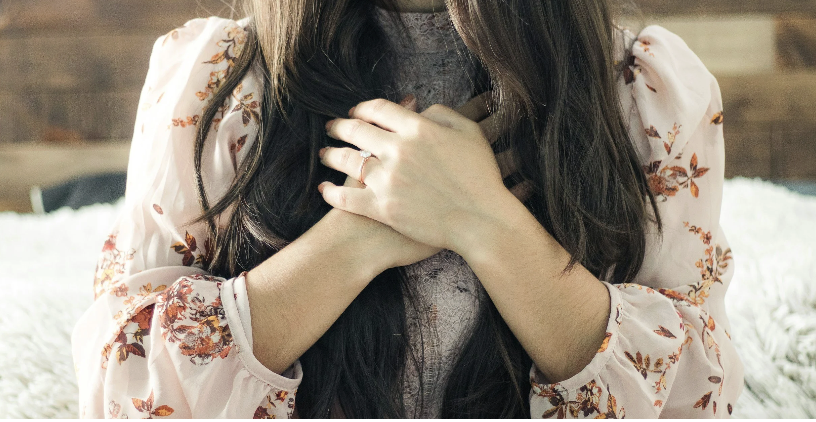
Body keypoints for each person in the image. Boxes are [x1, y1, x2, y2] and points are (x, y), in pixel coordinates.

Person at [71, 0, 744, 418]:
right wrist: (364, 233)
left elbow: (690, 398)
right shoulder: (219, 78)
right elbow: (126, 391)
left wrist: (486, 223)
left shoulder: (638, 90)